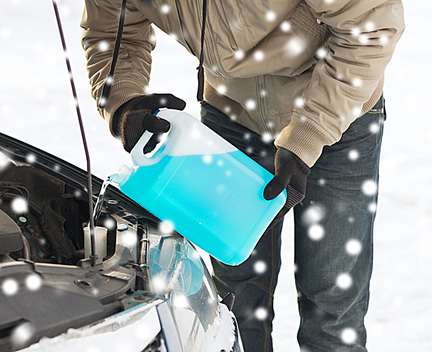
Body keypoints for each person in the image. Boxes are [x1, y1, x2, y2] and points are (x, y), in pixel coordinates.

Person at [80, 1, 404, 351]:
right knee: (237, 301)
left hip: (338, 113)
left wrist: (308, 136)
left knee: (332, 302)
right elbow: (112, 30)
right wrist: (124, 102)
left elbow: (371, 28)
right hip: (230, 119)